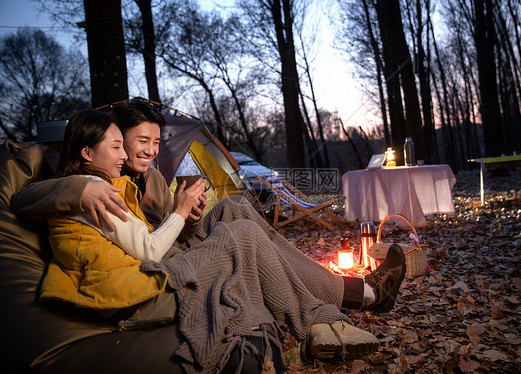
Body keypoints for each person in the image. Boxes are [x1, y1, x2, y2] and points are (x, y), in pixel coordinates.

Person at [12, 100, 407, 364]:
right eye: (137, 142)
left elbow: (175, 228)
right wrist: (80, 186)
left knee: (233, 209)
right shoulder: (94, 186)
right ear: (114, 140)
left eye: (156, 141)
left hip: (168, 251)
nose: (150, 151)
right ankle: (349, 301)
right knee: (242, 237)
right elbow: (25, 196)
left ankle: (354, 297)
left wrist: (193, 213)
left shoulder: (145, 176)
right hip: (151, 268)